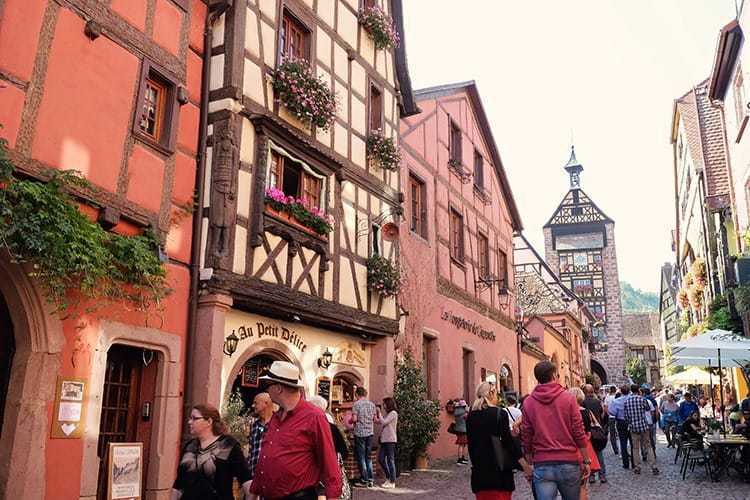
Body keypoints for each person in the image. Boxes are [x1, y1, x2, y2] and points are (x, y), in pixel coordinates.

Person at [248, 361, 342, 500]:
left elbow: (329, 462)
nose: (267, 391)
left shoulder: (314, 416)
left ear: (279, 388)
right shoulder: (276, 417)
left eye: (268, 386)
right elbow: (266, 457)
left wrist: (332, 496)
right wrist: (253, 492)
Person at [521, 361, 590, 500]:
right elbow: (578, 431)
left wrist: (528, 461)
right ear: (554, 375)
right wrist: (586, 459)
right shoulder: (569, 398)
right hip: (568, 460)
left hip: (542, 462)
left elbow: (526, 434)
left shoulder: (529, 402)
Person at [172, 404, 251, 500]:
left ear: (209, 421)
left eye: (194, 418)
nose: (189, 422)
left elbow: (246, 480)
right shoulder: (190, 447)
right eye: (190, 418)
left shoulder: (228, 445)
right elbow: (179, 484)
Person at [466, 382, 531, 500]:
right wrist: (524, 465)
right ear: (491, 394)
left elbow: (472, 445)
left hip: (480, 474)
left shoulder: (471, 416)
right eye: (496, 393)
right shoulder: (499, 414)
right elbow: (509, 443)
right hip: (499, 474)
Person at [309, 395, 351, 500]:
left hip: (316, 477)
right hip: (327, 476)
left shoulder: (308, 427)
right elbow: (344, 452)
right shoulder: (332, 427)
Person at [570, 388, 602, 500]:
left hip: (570, 448)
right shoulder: (586, 412)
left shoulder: (566, 413)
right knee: (583, 485)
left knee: (571, 485)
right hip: (585, 447)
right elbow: (592, 429)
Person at [624, 384, 658, 475]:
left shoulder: (627, 401)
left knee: (635, 448)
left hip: (633, 427)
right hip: (643, 426)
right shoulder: (642, 399)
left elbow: (626, 417)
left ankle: (637, 467)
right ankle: (653, 466)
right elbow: (647, 408)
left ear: (631, 390)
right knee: (648, 446)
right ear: (638, 390)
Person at [351, 386, 377, 487]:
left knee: (361, 457)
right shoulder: (372, 404)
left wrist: (350, 421)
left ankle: (364, 479)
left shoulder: (356, 405)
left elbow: (354, 419)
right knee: (368, 456)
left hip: (360, 433)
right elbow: (374, 419)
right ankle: (370, 479)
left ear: (357, 394)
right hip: (370, 433)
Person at [581, 385, 606, 484]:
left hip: (588, 431)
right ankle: (602, 475)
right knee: (599, 453)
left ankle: (591, 476)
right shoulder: (597, 401)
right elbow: (602, 413)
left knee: (589, 454)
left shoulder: (583, 403)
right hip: (597, 430)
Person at [247, 392, 273, 481]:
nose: (253, 405)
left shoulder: (278, 425)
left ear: (266, 403)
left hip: (270, 479)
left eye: (256, 403)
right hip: (253, 478)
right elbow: (251, 451)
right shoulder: (254, 425)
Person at [376, 397, 398, 489]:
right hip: (385, 440)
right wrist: (376, 416)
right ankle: (388, 477)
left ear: (388, 404)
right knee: (381, 459)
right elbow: (380, 421)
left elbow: (384, 422)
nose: (383, 405)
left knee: (390, 460)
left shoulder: (393, 413)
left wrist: (379, 413)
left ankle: (392, 481)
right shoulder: (388, 414)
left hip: (390, 440)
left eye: (384, 403)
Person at [608, 384, 632, 469]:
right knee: (633, 442)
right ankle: (634, 462)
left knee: (623, 442)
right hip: (632, 421)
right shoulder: (632, 399)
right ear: (629, 391)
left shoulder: (616, 401)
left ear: (621, 391)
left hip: (621, 422)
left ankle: (626, 463)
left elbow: (612, 412)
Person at [603, 386, 619, 455]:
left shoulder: (607, 397)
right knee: (620, 433)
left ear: (610, 390)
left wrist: (609, 414)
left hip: (611, 417)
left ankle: (615, 449)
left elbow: (605, 407)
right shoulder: (618, 397)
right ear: (615, 390)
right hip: (618, 417)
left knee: (612, 434)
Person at [453, 399, 469, 464]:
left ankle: (462, 457)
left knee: (463, 444)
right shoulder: (464, 412)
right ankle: (459, 460)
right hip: (463, 430)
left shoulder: (456, 411)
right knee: (461, 445)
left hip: (458, 429)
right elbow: (467, 420)